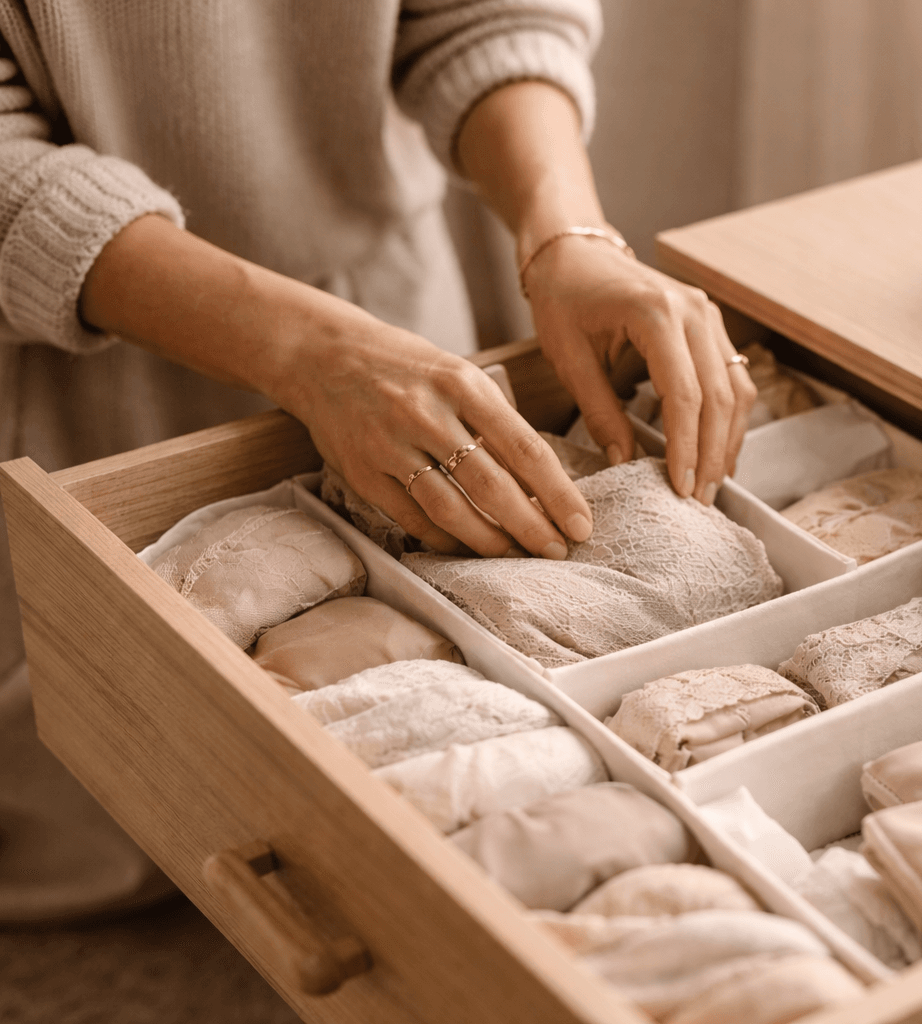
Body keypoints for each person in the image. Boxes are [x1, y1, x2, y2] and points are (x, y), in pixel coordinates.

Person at [0, 0, 755, 923]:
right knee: (109, 801)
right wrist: (308, 353)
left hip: (389, 310)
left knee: (346, 875)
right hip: (78, 349)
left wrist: (567, 234)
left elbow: (484, 14)